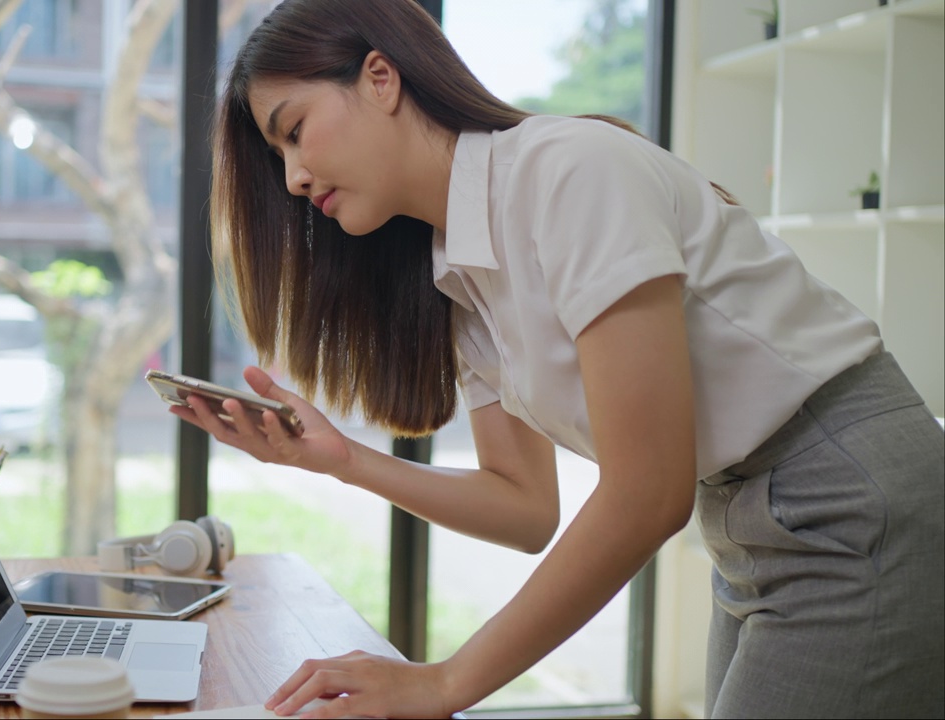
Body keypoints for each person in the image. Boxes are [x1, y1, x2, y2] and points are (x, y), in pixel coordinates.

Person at [172, 0, 945, 717]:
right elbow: (524, 508)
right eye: (278, 155)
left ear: (380, 78)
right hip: (751, 522)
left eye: (295, 130)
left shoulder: (566, 171)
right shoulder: (459, 274)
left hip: (849, 494)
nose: (294, 178)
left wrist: (445, 681)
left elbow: (647, 493)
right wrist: (343, 462)